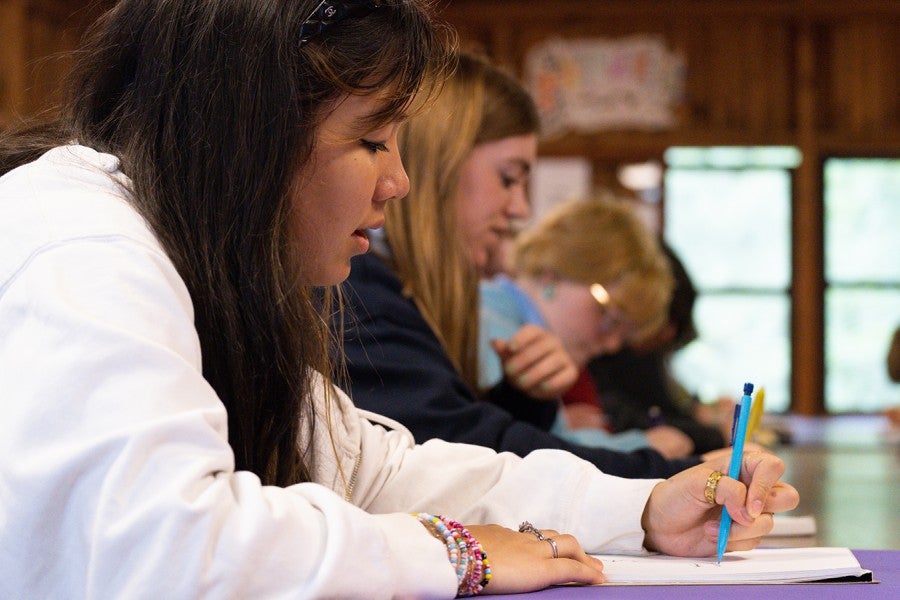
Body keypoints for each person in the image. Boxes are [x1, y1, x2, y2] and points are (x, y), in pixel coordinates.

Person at [0, 2, 801, 594]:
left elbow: (375, 469)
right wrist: (456, 553)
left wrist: (643, 507)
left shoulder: (197, 258)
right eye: (372, 140)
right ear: (248, 132)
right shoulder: (88, 247)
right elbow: (167, 551)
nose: (399, 182)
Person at [340, 50, 709, 477]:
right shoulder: (362, 294)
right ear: (443, 165)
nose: (519, 209)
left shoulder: (394, 292)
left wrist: (522, 400)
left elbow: (462, 441)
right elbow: (469, 456)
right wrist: (677, 472)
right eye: (508, 178)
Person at [479, 196, 697, 459]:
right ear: (554, 272)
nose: (612, 343)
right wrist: (642, 447)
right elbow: (525, 456)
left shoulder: (505, 318)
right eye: (608, 316)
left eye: (624, 332)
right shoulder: (494, 327)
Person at [587, 240, 734, 454]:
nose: (669, 333)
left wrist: (699, 413)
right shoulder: (611, 352)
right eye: (664, 317)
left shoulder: (636, 351)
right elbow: (629, 419)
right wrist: (715, 434)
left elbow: (658, 407)